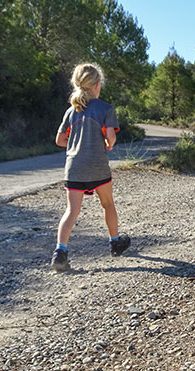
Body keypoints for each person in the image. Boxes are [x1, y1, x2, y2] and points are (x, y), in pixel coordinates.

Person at [51, 63, 130, 272]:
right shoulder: (105, 108)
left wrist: (77, 143)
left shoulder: (71, 111)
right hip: (97, 166)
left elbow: (59, 140)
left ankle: (60, 252)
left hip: (74, 166)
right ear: (97, 85)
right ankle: (115, 242)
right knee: (108, 204)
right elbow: (111, 137)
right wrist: (108, 144)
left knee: (71, 211)